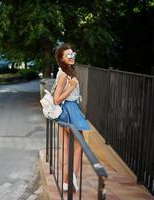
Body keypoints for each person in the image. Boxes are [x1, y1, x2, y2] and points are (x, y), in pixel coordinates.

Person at [52, 43, 90, 192]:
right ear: (61, 58)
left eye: (72, 54)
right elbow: (56, 99)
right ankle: (71, 178)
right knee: (79, 146)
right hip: (70, 111)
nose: (71, 56)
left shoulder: (65, 71)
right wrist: (71, 86)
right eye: (68, 55)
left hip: (66, 112)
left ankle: (67, 182)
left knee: (66, 149)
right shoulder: (63, 74)